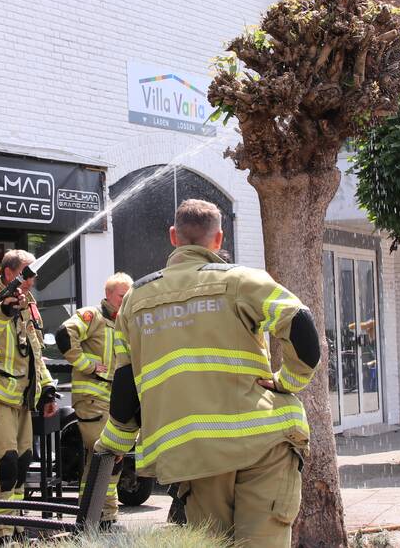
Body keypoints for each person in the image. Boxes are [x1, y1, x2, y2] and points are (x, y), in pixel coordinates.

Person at [96, 199, 321, 547]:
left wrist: (113, 444)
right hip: (262, 442)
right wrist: (288, 381)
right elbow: (302, 325)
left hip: (194, 454)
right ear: (218, 240)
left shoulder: (134, 301)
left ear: (174, 236)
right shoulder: (242, 280)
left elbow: (127, 385)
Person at [0, 249, 58, 541]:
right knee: (3, 465)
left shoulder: (27, 304)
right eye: (27, 272)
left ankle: (17, 528)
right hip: (0, 397)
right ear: (10, 273)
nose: (32, 280)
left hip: (22, 398)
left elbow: (34, 349)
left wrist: (46, 389)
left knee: (21, 464)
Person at [55, 272, 134, 527]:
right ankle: (97, 517)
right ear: (109, 294)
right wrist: (88, 365)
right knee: (106, 454)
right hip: (92, 398)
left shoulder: (125, 322)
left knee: (108, 459)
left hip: (114, 400)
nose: (126, 300)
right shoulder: (92, 316)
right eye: (122, 295)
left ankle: (99, 516)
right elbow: (64, 335)